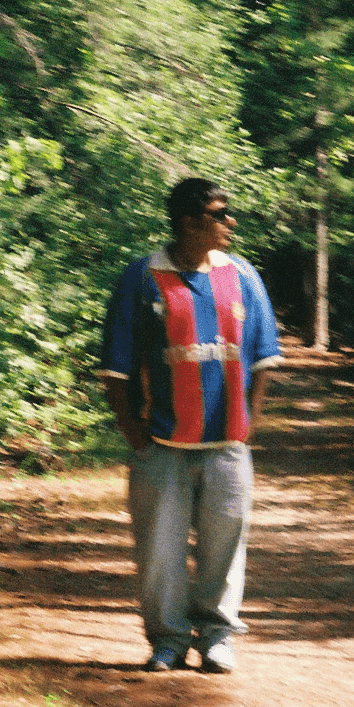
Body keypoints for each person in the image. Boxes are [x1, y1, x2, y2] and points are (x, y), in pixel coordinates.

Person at [99, 177, 282, 673]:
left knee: (226, 545)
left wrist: (250, 421)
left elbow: (264, 357)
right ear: (188, 222)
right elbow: (115, 365)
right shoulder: (142, 277)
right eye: (220, 214)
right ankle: (168, 640)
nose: (230, 222)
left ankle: (218, 637)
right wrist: (131, 429)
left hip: (227, 443)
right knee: (159, 549)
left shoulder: (242, 276)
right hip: (161, 443)